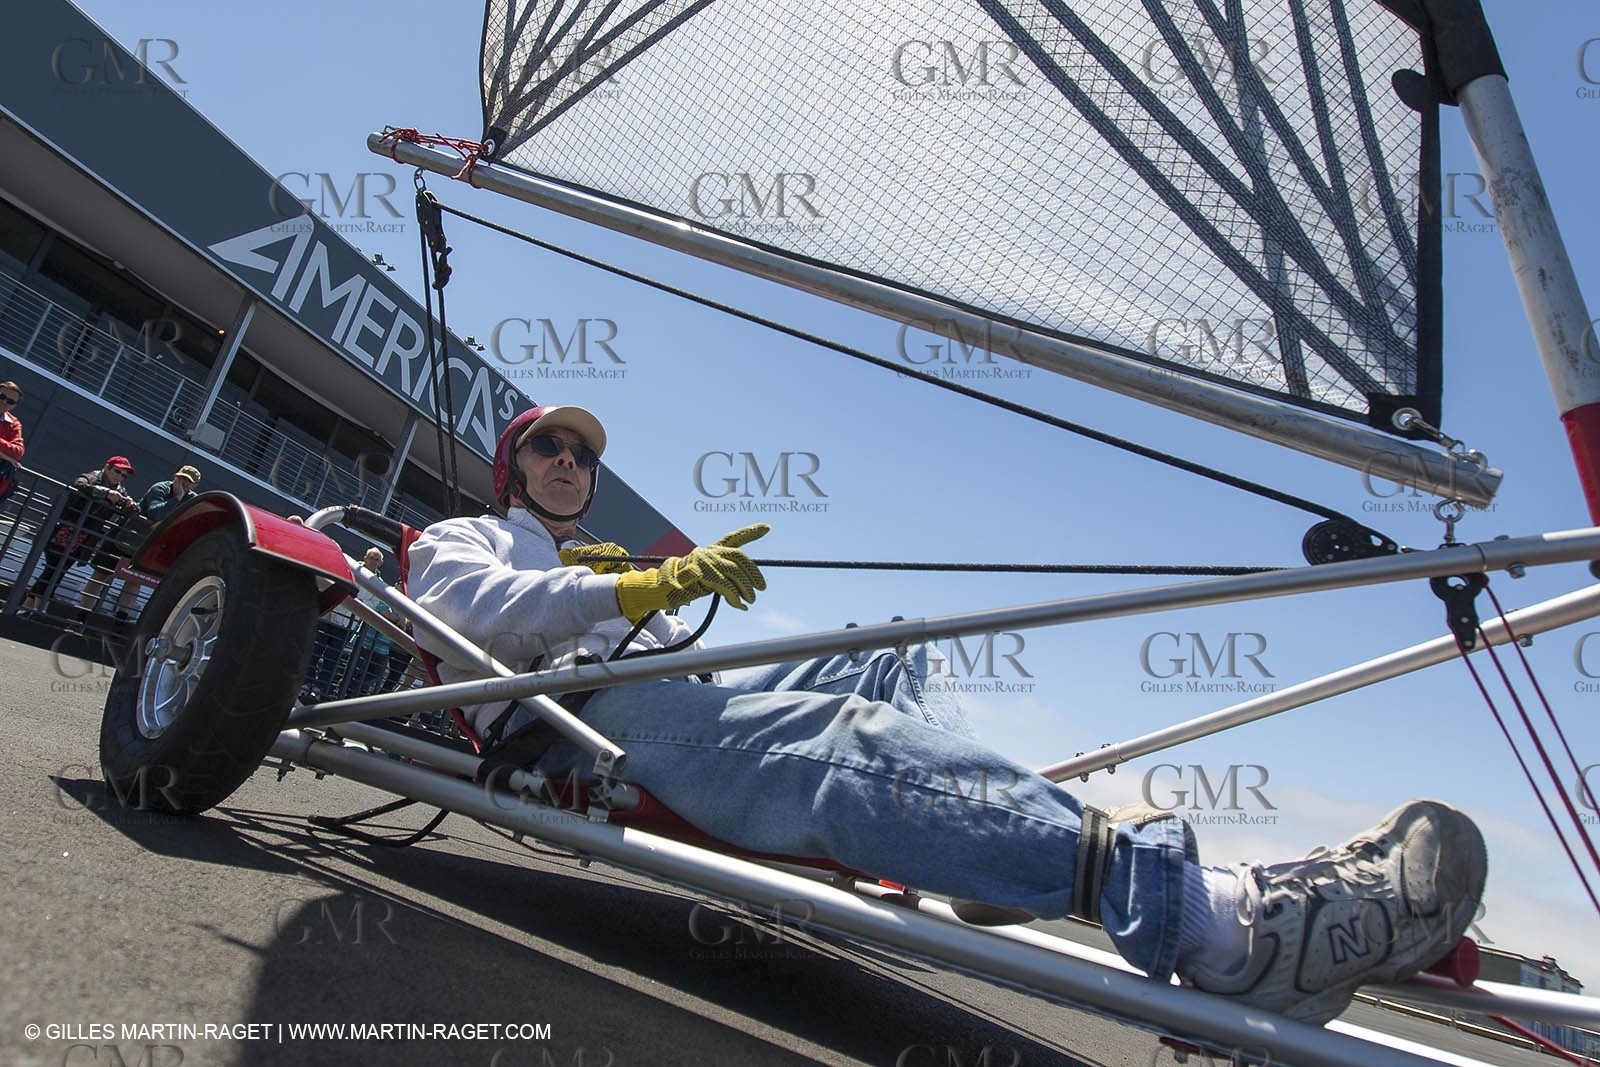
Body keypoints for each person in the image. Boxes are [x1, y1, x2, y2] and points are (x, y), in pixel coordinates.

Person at [407, 405, 1489, 1026]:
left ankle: (993, 850)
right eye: (550, 446)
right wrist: (633, 590)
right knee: (843, 746)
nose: (570, 462)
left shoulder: (588, 554)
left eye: (585, 453)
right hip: (578, 727)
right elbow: (476, 613)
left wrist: (629, 584)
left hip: (663, 706)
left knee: (881, 655)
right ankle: (1224, 925)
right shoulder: (474, 537)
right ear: (514, 466)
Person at [24, 455, 141, 618]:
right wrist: (104, 493)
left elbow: (129, 511)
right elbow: (79, 484)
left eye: (123, 476)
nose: (119, 477)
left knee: (56, 570)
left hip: (84, 537)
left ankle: (29, 606)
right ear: (107, 467)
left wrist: (130, 505)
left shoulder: (120, 491)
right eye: (117, 471)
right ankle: (38, 608)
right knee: (55, 569)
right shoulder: (93, 477)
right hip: (66, 528)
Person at [109, 464, 203, 619]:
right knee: (103, 572)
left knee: (135, 581)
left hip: (148, 545)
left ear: (195, 485)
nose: (184, 484)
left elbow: (185, 524)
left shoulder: (193, 500)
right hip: (127, 537)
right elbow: (155, 513)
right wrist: (177, 498)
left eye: (189, 481)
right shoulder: (160, 488)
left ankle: (120, 619)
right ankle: (82, 614)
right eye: (182, 479)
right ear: (175, 476)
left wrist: (165, 524)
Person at [0, 380, 24, 505]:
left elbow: (18, 452)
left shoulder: (13, 423)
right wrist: (4, 456)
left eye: (10, 401)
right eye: (2, 396)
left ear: (14, 406)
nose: (4, 402)